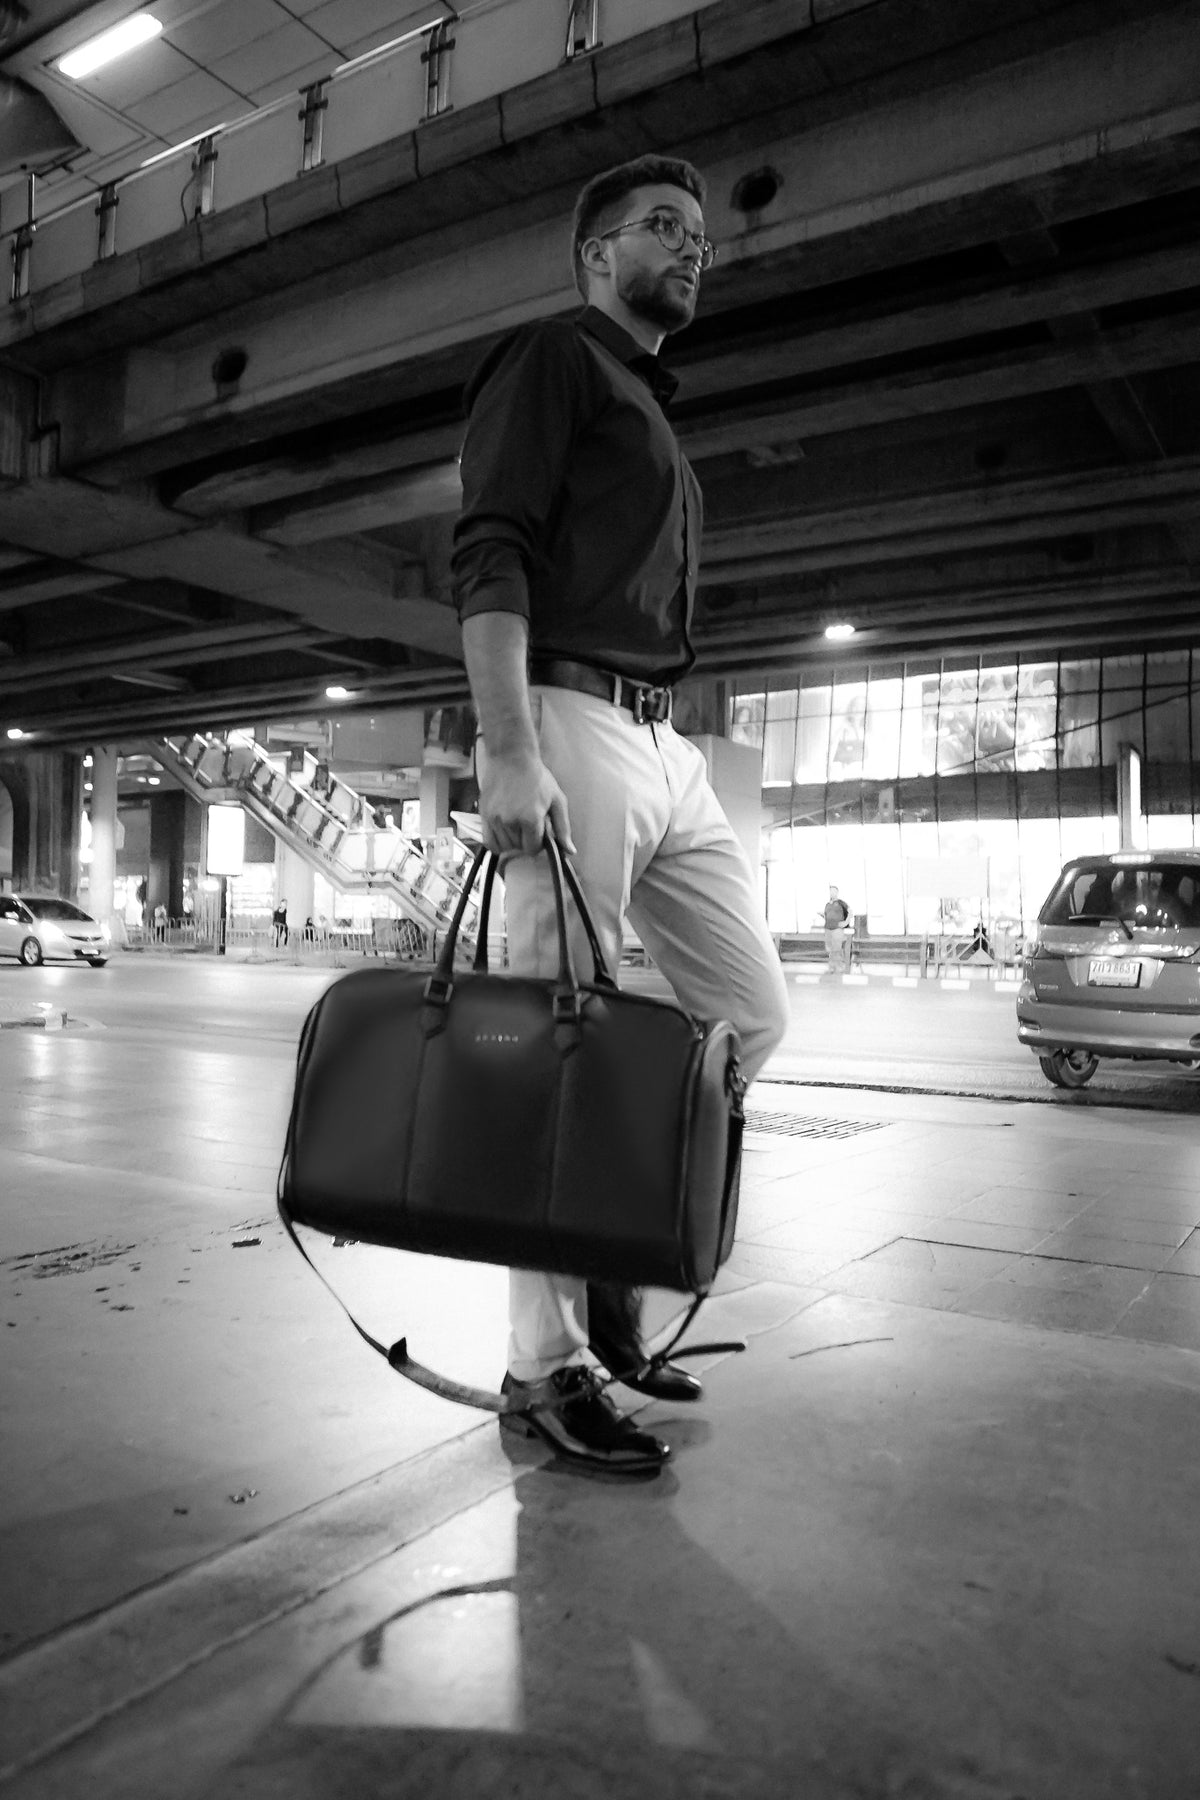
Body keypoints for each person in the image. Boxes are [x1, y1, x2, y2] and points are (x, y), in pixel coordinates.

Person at [452, 153, 790, 1478]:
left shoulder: (648, 403)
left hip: (664, 741)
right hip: (569, 720)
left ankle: (607, 1260)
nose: (693, 246)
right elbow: (491, 548)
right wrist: (507, 747)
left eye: (701, 233)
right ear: (597, 255)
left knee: (749, 1014)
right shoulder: (554, 361)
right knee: (551, 1048)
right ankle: (540, 1368)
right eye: (663, 226)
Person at [822, 886, 851, 971]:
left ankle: (839, 966)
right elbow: (826, 915)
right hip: (828, 929)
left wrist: (845, 923)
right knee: (829, 949)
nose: (832, 893)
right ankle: (831, 966)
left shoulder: (841, 903)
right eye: (830, 891)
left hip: (837, 929)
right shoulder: (827, 904)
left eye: (833, 891)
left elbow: (850, 912)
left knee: (837, 948)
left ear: (837, 892)